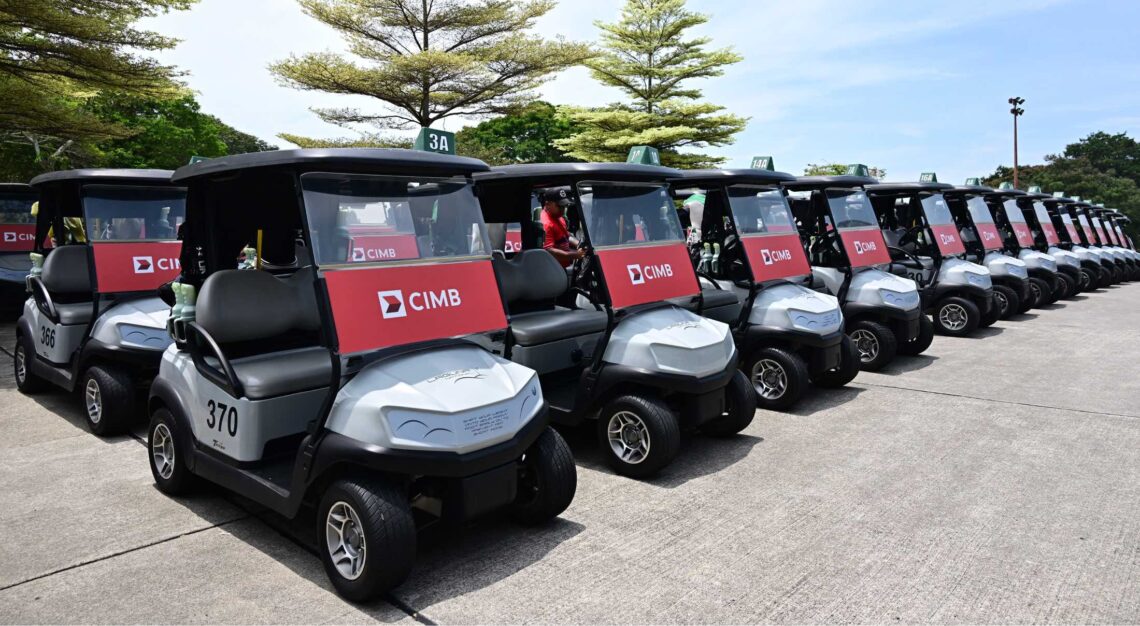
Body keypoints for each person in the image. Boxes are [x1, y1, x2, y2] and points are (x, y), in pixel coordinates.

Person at [539, 187, 585, 268]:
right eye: (559, 206)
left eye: (564, 206)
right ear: (547, 204)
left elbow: (565, 235)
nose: (562, 209)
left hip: (563, 266)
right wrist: (576, 255)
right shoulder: (546, 224)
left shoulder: (558, 217)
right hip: (553, 270)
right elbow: (549, 251)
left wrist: (578, 244)